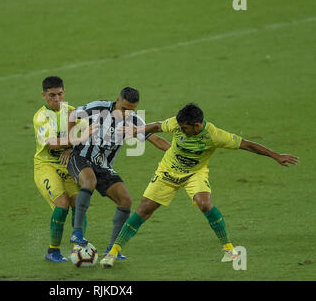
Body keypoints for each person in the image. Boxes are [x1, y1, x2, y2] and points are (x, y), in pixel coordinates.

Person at [100, 102, 299, 268]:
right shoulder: (177, 124)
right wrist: (137, 130)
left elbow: (247, 144)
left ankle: (229, 250)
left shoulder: (214, 135)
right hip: (168, 171)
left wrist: (276, 156)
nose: (180, 130)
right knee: (144, 209)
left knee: (204, 203)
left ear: (197, 125)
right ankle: (114, 251)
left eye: (185, 128)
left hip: (194, 174)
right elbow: (158, 126)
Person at [66, 87, 171, 259]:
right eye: (124, 109)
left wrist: (178, 153)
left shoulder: (134, 121)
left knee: (126, 200)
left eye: (131, 110)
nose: (127, 113)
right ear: (117, 100)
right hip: (80, 157)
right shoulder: (98, 108)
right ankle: (77, 232)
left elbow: (156, 140)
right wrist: (69, 143)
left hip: (104, 166)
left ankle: (113, 249)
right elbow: (72, 115)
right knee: (89, 181)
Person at [33, 75, 87, 262]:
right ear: (44, 95)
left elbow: (90, 131)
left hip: (67, 166)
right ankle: (53, 251)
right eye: (52, 95)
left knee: (79, 203)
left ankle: (78, 250)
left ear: (64, 92)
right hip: (46, 166)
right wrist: (72, 143)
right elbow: (52, 144)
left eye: (60, 94)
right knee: (62, 204)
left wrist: (71, 147)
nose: (56, 99)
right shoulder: (41, 117)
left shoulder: (72, 112)